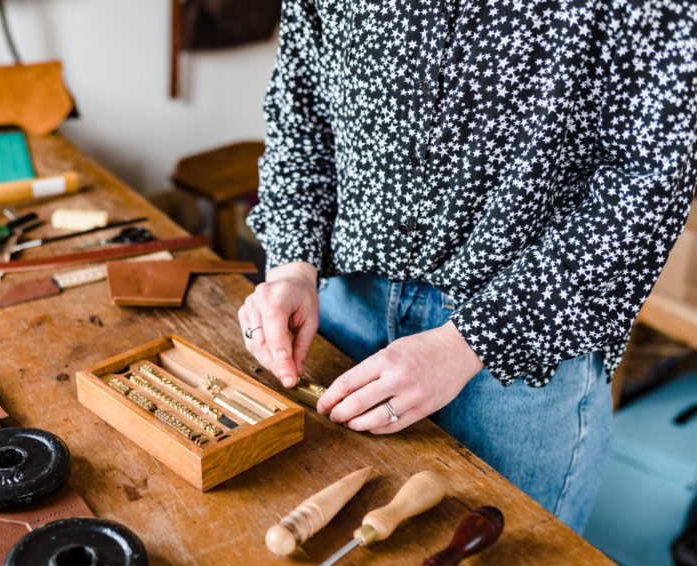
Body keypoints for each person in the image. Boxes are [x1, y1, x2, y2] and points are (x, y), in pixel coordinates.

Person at [239, 0, 697, 533]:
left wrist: (473, 341)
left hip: (518, 363)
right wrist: (292, 267)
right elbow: (302, 109)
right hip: (342, 313)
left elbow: (645, 185)